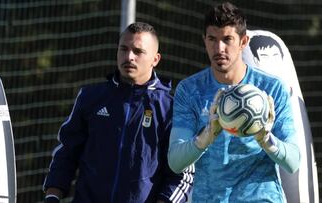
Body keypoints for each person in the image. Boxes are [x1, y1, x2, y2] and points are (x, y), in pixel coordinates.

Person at [43, 22, 194, 203]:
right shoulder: (90, 97)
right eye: (123, 49)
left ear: (156, 59)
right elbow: (66, 153)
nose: (129, 57)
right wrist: (52, 196)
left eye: (138, 51)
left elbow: (183, 174)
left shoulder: (171, 110)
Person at [167, 2, 300, 202]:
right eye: (212, 39)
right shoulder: (190, 90)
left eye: (227, 39)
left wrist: (267, 140)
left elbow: (293, 162)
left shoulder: (271, 88)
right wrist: (205, 137)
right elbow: (175, 162)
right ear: (204, 40)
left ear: (243, 41)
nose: (219, 48)